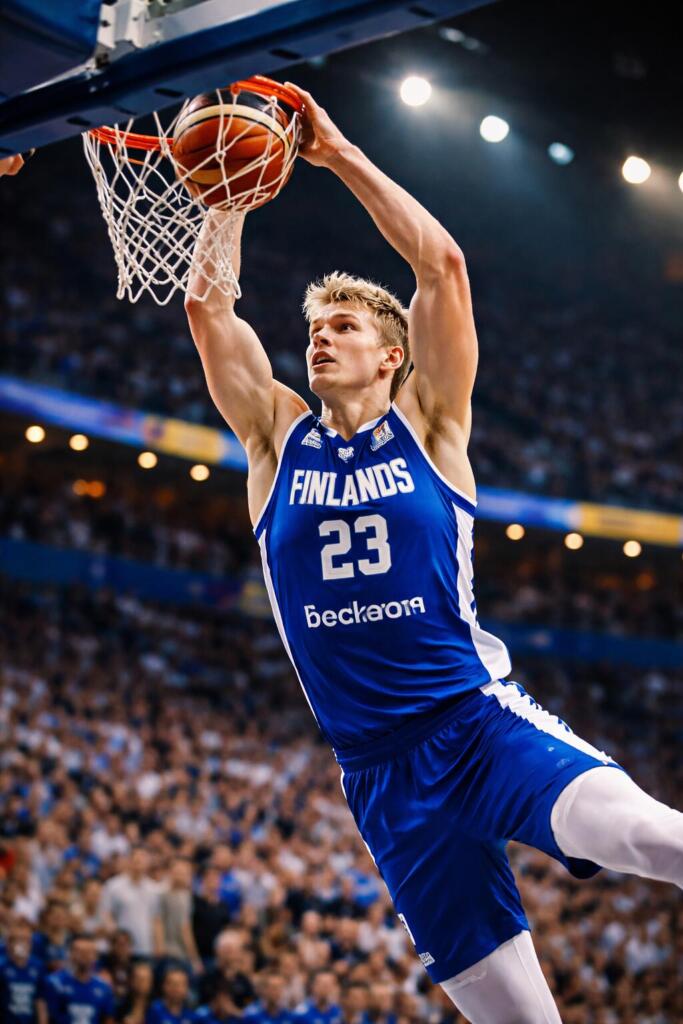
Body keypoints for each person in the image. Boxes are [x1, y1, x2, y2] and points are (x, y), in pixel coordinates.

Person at [184, 82, 683, 1023]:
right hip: (378, 775)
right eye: (312, 330)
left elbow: (441, 266)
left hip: (477, 727)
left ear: (391, 356)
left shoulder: (431, 422)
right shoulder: (275, 439)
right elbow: (212, 315)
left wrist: (335, 153)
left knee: (654, 839)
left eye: (343, 328)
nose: (320, 340)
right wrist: (225, 196)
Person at [38, 933, 115, 1024]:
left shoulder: (104, 988)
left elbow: (108, 1019)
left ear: (96, 956)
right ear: (70, 954)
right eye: (79, 952)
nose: (84, 956)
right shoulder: (54, 983)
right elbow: (44, 1017)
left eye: (88, 952)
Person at [0, 918, 44, 1024]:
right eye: (17, 940)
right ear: (8, 944)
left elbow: (40, 1000)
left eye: (26, 940)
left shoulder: (38, 966)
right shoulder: (2, 966)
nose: (22, 944)